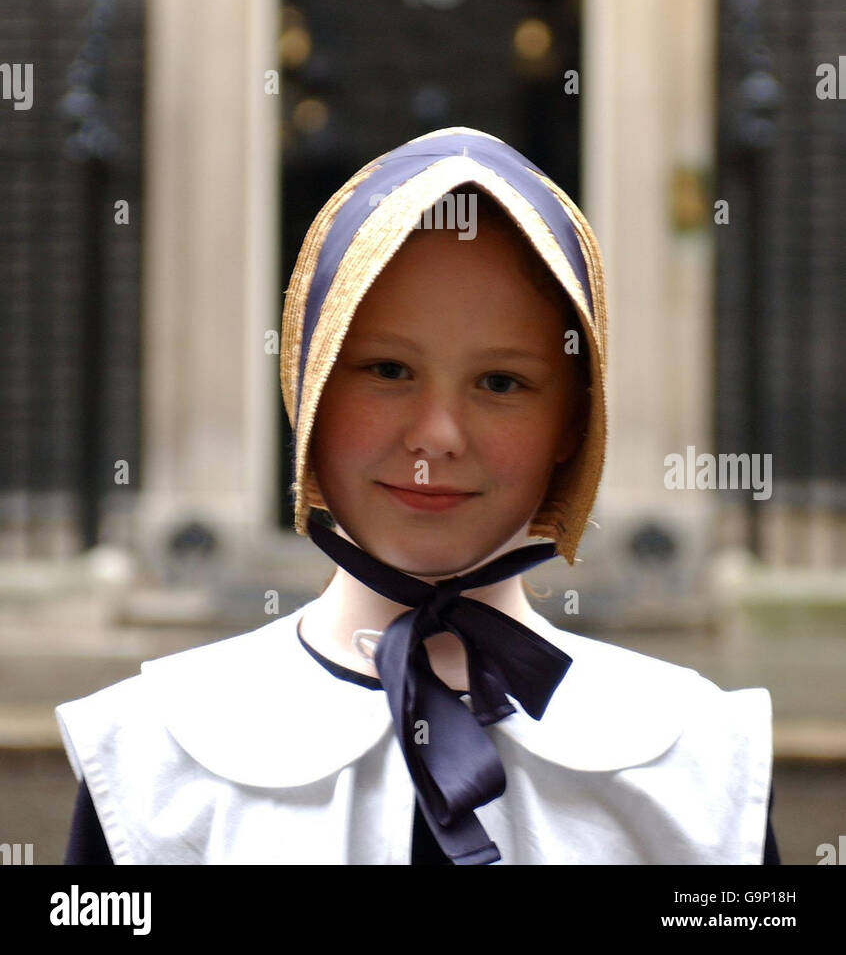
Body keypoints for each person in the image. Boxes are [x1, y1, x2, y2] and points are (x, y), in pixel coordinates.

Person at [58, 126, 780, 865]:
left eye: (502, 383)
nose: (438, 437)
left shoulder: (701, 769)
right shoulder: (152, 766)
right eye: (387, 370)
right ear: (309, 386)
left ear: (574, 422)